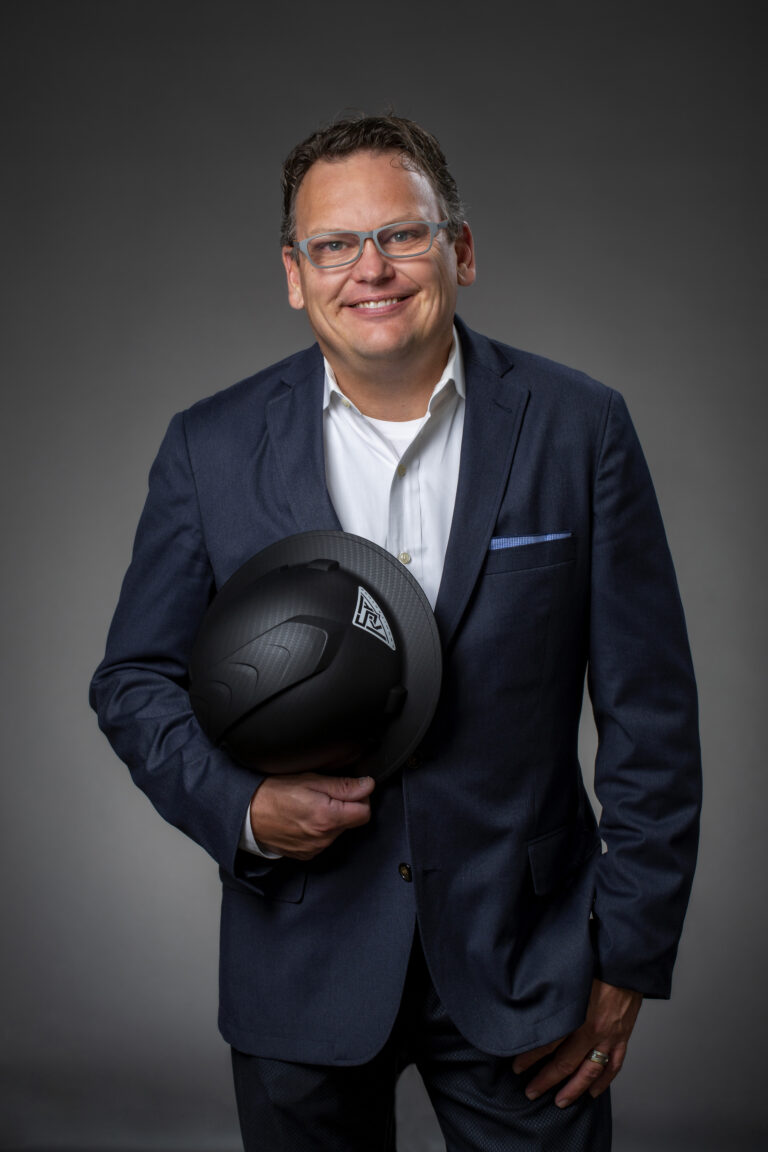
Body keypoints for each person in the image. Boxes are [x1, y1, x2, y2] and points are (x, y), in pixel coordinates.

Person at [90, 113, 701, 1151]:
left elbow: (653, 713)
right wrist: (242, 809)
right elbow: (134, 679)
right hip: (301, 957)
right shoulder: (211, 446)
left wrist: (628, 956)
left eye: (402, 235)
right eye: (334, 244)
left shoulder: (578, 427)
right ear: (295, 273)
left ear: (458, 249)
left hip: (529, 961)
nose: (370, 268)